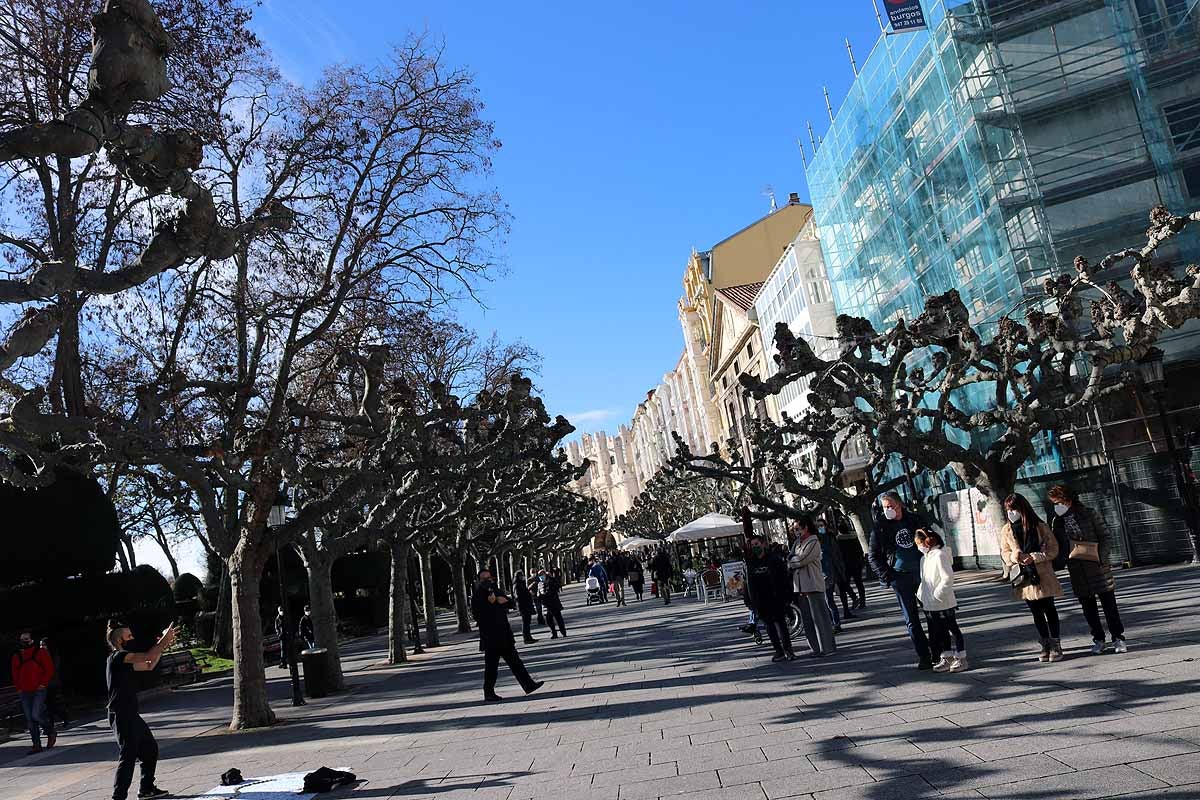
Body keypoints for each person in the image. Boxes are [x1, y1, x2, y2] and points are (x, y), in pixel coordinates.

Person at [1049, 485, 1128, 655]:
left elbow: (1105, 536)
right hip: (1077, 569)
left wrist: (1102, 557)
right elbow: (1059, 545)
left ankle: (1118, 638)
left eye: (1059, 502)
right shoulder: (1057, 521)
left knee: (1109, 605)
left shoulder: (1089, 514)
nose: (1057, 506)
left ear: (1068, 500)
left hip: (1098, 567)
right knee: (1088, 608)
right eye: (1054, 503)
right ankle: (1098, 639)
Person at [106, 620, 176, 800]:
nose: (132, 638)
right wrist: (163, 642)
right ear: (119, 639)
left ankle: (146, 789)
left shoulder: (124, 661)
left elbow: (149, 664)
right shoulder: (118, 657)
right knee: (128, 755)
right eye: (129, 636)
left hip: (130, 714)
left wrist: (163, 645)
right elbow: (147, 655)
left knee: (150, 749)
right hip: (120, 714)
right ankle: (118, 797)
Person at [868, 492, 933, 669]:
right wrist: (887, 576)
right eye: (884, 507)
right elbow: (873, 556)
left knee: (931, 613)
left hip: (922, 573)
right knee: (911, 618)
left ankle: (938, 650)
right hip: (899, 576)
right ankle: (924, 655)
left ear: (900, 505)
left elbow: (931, 540)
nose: (887, 510)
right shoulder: (880, 527)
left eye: (890, 506)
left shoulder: (915, 520)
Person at [1000, 493, 1065, 663]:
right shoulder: (1006, 530)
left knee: (1049, 608)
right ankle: (1045, 643)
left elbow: (1053, 549)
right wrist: (1016, 556)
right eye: (1008, 510)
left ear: (1022, 509)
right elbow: (1004, 553)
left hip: (1043, 574)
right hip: (1024, 577)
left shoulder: (1039, 526)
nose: (1011, 513)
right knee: (1035, 612)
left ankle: (1056, 643)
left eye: (1014, 509)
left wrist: (1035, 556)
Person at [470, 568, 543, 702]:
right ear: (479, 581)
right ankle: (489, 692)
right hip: (491, 637)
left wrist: (500, 600)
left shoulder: (496, 590)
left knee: (516, 662)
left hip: (504, 634)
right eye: (484, 579)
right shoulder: (477, 596)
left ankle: (528, 684)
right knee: (491, 667)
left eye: (489, 577)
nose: (488, 581)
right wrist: (491, 604)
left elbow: (510, 603)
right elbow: (477, 616)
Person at [915, 530, 968, 672]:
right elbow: (924, 581)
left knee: (953, 629)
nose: (919, 547)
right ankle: (947, 657)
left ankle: (961, 658)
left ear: (928, 541)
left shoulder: (940, 555)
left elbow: (947, 578)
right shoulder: (924, 559)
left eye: (920, 543)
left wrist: (937, 594)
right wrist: (921, 595)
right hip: (930, 603)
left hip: (943, 601)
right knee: (941, 631)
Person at [745, 534, 796, 661]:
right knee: (769, 626)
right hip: (761, 600)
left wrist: (788, 596)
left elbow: (784, 578)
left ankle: (788, 650)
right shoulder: (751, 563)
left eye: (756, 544)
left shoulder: (774, 559)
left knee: (781, 624)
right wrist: (750, 601)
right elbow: (748, 583)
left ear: (763, 544)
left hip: (776, 597)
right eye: (752, 545)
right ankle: (778, 651)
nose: (755, 547)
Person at [790, 517, 837, 656]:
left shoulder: (813, 541)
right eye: (794, 529)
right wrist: (793, 560)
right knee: (808, 619)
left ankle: (826, 647)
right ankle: (815, 648)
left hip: (813, 584)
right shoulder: (797, 543)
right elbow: (790, 557)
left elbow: (803, 559)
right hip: (800, 586)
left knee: (820, 618)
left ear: (806, 528)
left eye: (798, 528)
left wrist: (793, 561)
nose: (796, 532)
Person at [11, 630, 56, 754]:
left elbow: (49, 668)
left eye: (27, 639)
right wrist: (19, 688)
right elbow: (15, 673)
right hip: (24, 691)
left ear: (32, 640)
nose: (24, 642)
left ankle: (50, 732)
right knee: (30, 719)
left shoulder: (40, 652)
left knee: (36, 715)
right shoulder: (17, 656)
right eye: (22, 640)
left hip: (38, 689)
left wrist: (43, 684)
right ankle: (36, 745)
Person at [817, 520, 848, 631]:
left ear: (825, 526)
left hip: (831, 571)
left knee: (829, 600)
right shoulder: (816, 540)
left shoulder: (830, 538)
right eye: (818, 526)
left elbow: (836, 554)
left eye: (822, 525)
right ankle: (832, 623)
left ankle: (836, 623)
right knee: (827, 600)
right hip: (822, 573)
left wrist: (840, 569)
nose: (820, 528)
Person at [835, 519, 866, 610]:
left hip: (845, 565)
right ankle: (862, 601)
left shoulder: (838, 540)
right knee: (859, 583)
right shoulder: (854, 537)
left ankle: (854, 597)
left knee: (845, 584)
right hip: (856, 563)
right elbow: (859, 550)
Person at [40, 637, 70, 729]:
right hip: (44, 684)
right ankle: (62, 718)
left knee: (50, 704)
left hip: (52, 683)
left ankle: (57, 720)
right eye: (41, 645)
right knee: (49, 704)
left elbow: (54, 670)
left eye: (43, 645)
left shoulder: (53, 656)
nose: (42, 647)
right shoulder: (41, 656)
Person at [541, 568, 567, 638]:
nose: (540, 577)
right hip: (549, 603)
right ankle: (558, 632)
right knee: (553, 619)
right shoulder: (544, 582)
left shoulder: (550, 581)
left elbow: (550, 592)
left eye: (541, 575)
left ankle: (560, 632)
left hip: (552, 602)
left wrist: (542, 595)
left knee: (555, 618)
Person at [513, 572, 538, 644]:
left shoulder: (521, 584)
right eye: (521, 576)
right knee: (525, 622)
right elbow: (518, 596)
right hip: (523, 606)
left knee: (527, 621)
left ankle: (529, 637)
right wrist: (526, 595)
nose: (522, 577)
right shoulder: (517, 585)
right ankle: (526, 638)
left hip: (526, 605)